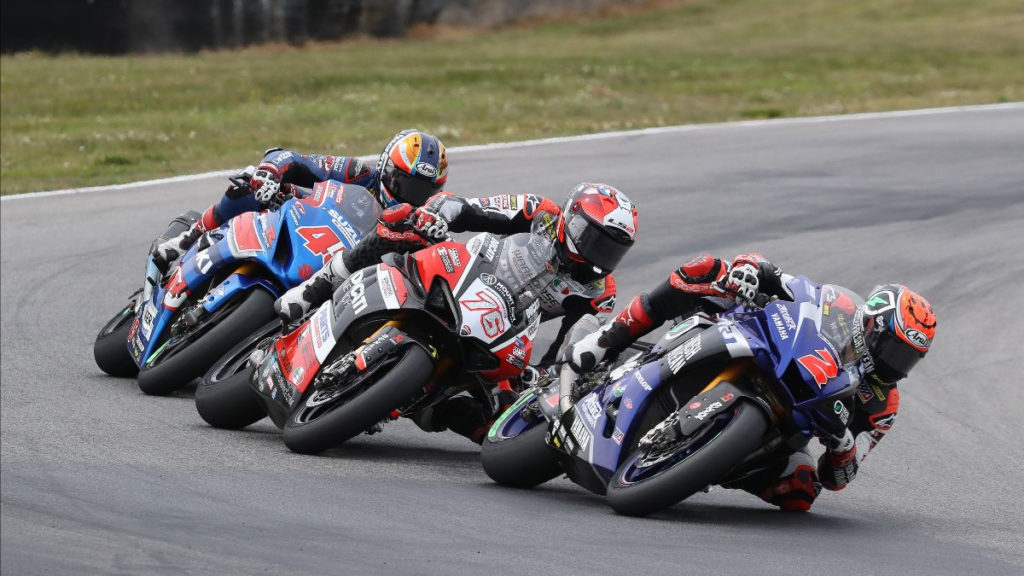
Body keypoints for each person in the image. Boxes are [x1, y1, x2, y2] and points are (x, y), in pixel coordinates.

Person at [564, 253, 937, 511]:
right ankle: (603, 341)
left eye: (906, 358)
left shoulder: (882, 404)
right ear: (871, 324)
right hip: (753, 339)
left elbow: (841, 476)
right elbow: (782, 278)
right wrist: (749, 270)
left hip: (790, 422)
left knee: (803, 491)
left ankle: (708, 462)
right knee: (705, 269)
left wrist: (841, 445)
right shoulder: (839, 306)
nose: (894, 363)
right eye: (891, 347)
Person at [276, 182, 640, 443]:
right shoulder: (539, 212)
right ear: (571, 221)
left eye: (611, 251)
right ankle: (313, 290)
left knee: (500, 421)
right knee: (400, 227)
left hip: (502, 331)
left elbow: (568, 346)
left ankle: (427, 408)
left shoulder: (599, 292)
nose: (599, 256)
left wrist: (542, 377)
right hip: (462, 272)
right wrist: (439, 216)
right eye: (593, 239)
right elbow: (467, 207)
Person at [151, 129, 449, 271]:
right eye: (405, 183)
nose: (410, 195)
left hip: (335, 270)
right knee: (250, 186)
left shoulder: (416, 224)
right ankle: (189, 237)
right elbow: (291, 158)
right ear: (386, 168)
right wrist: (270, 173)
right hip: (298, 222)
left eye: (421, 192)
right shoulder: (359, 172)